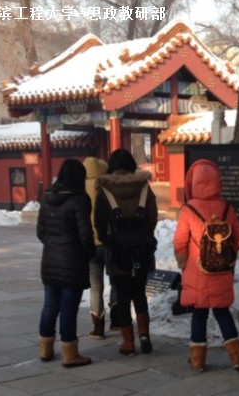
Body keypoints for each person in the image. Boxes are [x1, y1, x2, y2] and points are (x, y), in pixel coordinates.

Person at [173, 159, 239, 372]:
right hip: (222, 270)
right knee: (222, 312)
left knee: (199, 313)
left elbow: (179, 242)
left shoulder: (188, 210)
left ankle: (198, 360)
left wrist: (184, 262)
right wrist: (226, 255)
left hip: (197, 271)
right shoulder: (227, 208)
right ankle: (237, 357)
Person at [94, 149, 158, 356]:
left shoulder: (105, 190)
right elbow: (152, 218)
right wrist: (142, 236)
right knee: (139, 293)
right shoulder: (144, 187)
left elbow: (99, 222)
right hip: (141, 251)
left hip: (117, 251)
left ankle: (128, 342)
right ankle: (145, 335)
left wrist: (109, 242)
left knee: (122, 297)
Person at [37, 158, 95, 368]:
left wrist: (54, 245)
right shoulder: (79, 199)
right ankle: (70, 354)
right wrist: (88, 253)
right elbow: (85, 235)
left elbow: (40, 231)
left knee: (50, 306)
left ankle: (45, 349)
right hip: (72, 262)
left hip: (50, 260)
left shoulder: (47, 197)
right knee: (68, 308)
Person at [83, 157, 110, 339]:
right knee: (116, 281)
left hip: (91, 244)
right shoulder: (107, 187)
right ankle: (117, 318)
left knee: (95, 287)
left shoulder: (80, 189)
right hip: (108, 242)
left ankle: (98, 327)